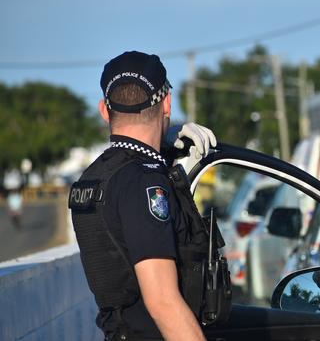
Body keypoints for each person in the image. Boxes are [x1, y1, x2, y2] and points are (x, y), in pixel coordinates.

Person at [69, 51, 218, 341]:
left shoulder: (95, 178)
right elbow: (162, 301)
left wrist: (168, 145)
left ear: (104, 109)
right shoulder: (145, 184)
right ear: (167, 104)